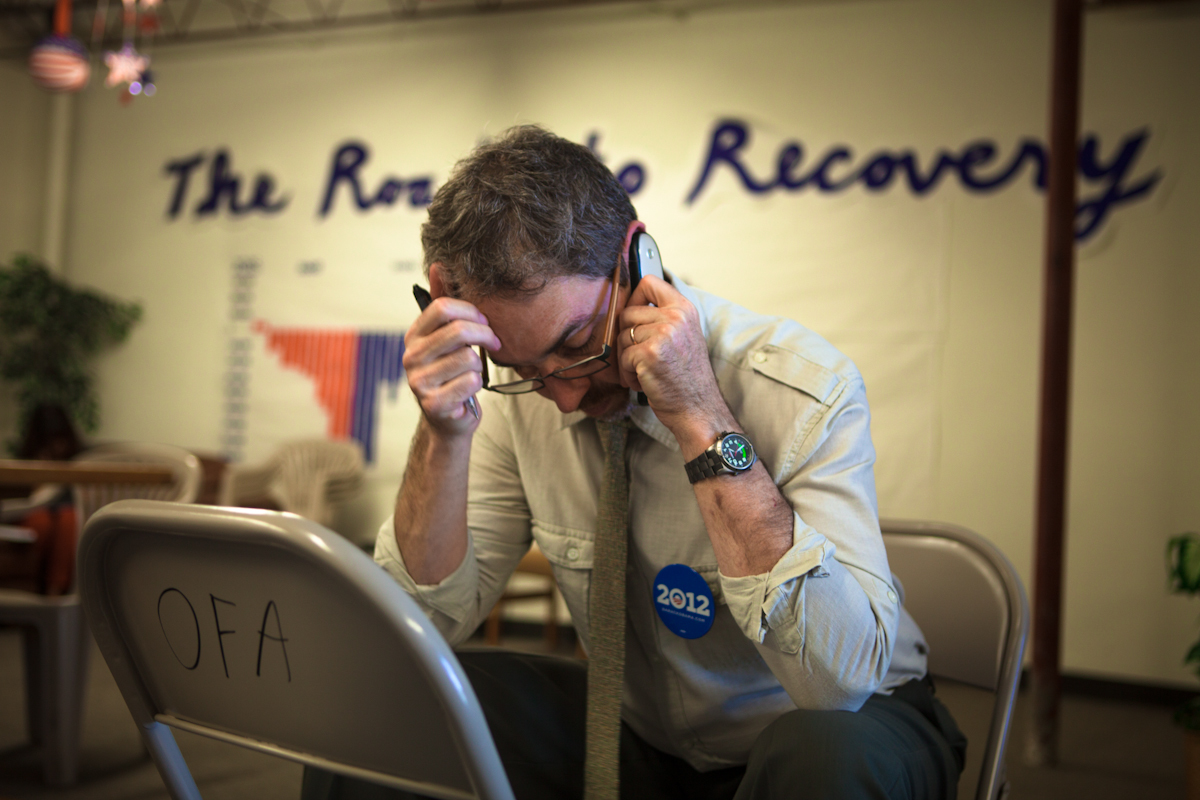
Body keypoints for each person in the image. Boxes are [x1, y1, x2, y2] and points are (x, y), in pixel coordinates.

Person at [304, 125, 965, 800]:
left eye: (578, 342)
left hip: (838, 723)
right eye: (520, 366)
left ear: (638, 260)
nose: (559, 396)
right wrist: (442, 435)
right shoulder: (514, 399)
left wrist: (699, 414)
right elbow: (420, 624)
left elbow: (839, 680)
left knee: (825, 757)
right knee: (387, 708)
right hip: (643, 737)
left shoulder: (800, 387)